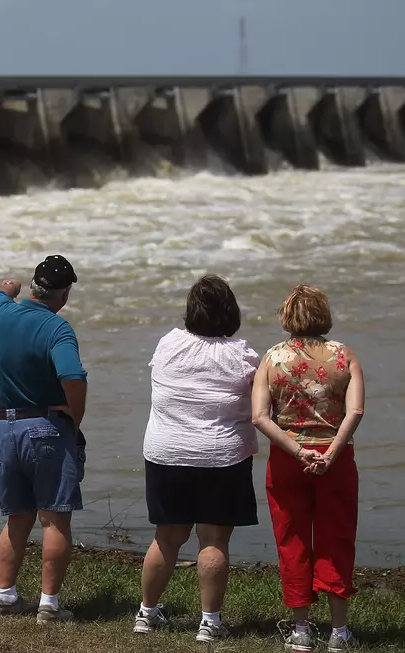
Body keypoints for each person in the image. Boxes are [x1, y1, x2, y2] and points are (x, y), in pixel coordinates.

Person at [134, 274, 260, 643]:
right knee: (214, 541)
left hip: (166, 451)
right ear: (230, 312)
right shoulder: (242, 355)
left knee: (166, 536)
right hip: (221, 456)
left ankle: (146, 613)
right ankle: (209, 622)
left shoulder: (169, 343)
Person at [250, 284, 365, 653]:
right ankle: (339, 632)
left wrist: (298, 451)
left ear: (287, 317)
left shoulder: (272, 357)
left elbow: (259, 417)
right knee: (337, 538)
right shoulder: (344, 355)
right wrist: (329, 453)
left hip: (288, 459)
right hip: (335, 458)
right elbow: (356, 411)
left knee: (292, 538)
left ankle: (301, 630)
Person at [0, 254, 88, 625]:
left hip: (4, 429)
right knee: (55, 520)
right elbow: (72, 376)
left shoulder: (0, 312)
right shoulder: (57, 329)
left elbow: (1, 290)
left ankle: (5, 596)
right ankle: (49, 605)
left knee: (17, 518)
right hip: (43, 427)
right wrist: (74, 417)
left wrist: (10, 286)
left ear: (34, 286)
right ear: (64, 294)